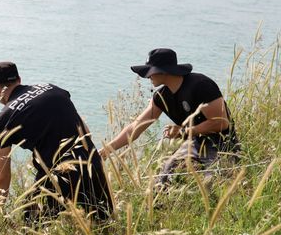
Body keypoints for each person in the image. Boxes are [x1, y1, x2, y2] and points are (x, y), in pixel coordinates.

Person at [0, 61, 113, 221]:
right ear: (19, 78)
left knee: (32, 231)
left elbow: (2, 175)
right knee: (105, 227)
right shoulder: (54, 89)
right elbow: (86, 133)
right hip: (91, 163)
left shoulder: (3, 119)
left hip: (56, 177)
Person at [98, 48, 240, 187]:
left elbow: (221, 123)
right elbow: (135, 128)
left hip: (222, 145)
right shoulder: (161, 97)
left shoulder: (201, 85)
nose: (148, 76)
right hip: (195, 143)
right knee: (164, 179)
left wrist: (183, 131)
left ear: (163, 71)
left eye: (150, 72)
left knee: (214, 185)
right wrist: (106, 150)